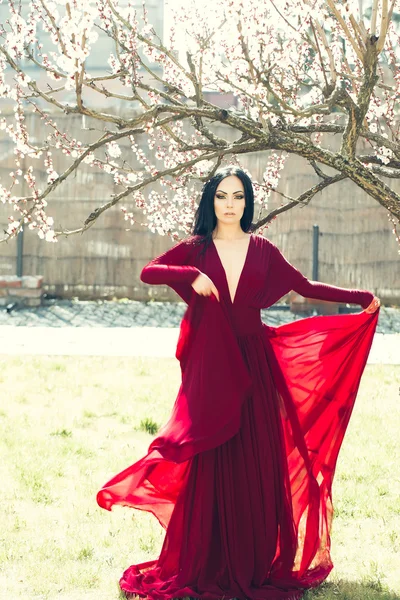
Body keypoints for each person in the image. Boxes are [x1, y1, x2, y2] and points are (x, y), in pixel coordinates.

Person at [97, 166, 380, 600]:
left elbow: (303, 286)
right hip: (213, 368)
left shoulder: (263, 249)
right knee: (212, 458)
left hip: (254, 366)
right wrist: (190, 275)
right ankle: (209, 558)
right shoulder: (196, 249)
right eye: (222, 196)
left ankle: (252, 559)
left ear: (248, 203)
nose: (230, 205)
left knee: (258, 459)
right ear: (211, 201)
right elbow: (149, 271)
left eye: (239, 197)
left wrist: (360, 299)